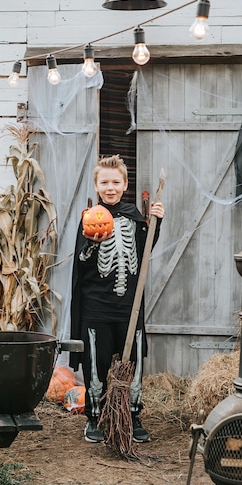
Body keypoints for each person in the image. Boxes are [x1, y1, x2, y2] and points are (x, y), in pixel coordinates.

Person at [69, 155, 164, 443]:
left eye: (116, 182)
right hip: (96, 308)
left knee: (133, 364)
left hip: (128, 309)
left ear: (125, 184)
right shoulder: (90, 218)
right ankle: (95, 418)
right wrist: (91, 244)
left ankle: (132, 417)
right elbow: (81, 263)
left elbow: (145, 250)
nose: (110, 187)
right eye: (104, 182)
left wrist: (155, 222)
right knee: (94, 364)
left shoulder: (135, 216)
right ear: (97, 186)